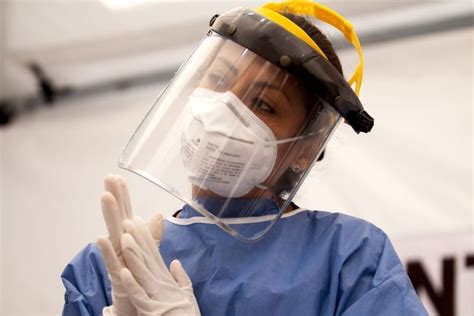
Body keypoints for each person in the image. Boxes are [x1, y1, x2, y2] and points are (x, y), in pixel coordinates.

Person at [61, 1, 428, 315]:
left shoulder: (349, 260)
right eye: (218, 81)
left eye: (263, 103)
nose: (224, 108)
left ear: (306, 147)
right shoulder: (107, 269)